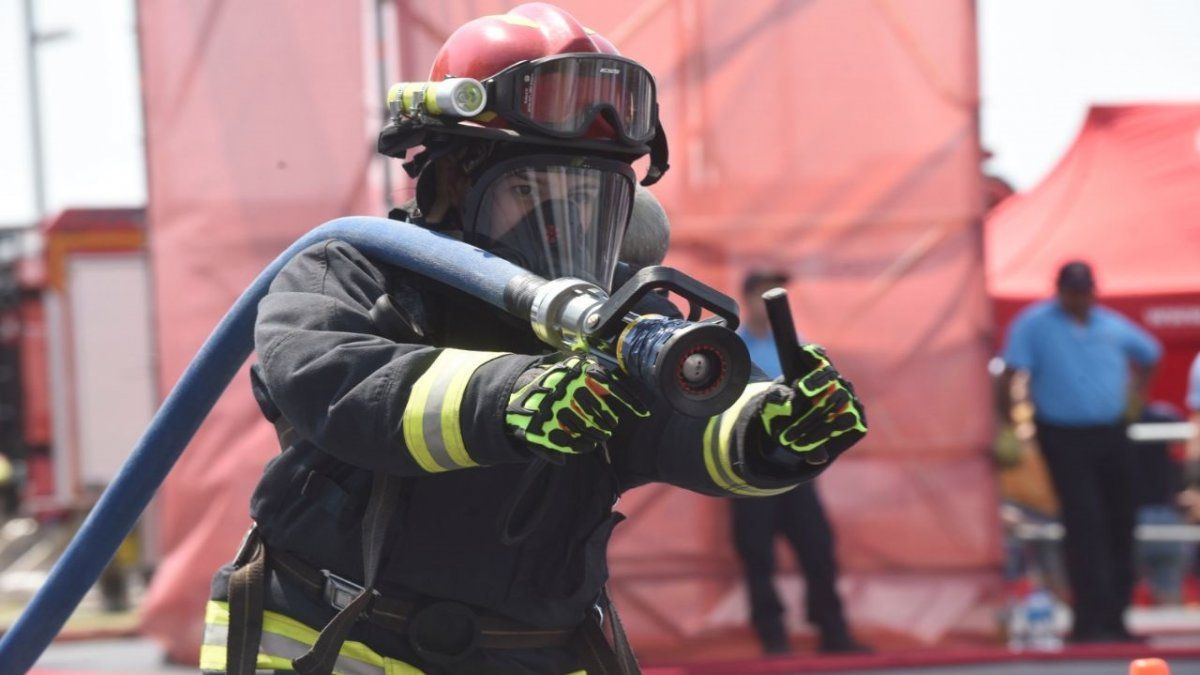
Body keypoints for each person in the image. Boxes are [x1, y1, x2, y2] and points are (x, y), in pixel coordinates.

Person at [200, 5, 868, 674]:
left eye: (593, 197)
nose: (566, 220)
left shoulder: (618, 313)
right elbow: (337, 383)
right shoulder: (352, 268)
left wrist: (765, 429)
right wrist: (514, 396)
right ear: (456, 179)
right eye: (534, 187)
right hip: (332, 635)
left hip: (532, 650)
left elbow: (671, 421)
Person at [999, 260, 1162, 643]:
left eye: (1084, 290)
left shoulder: (1110, 323)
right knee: (1084, 525)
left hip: (1111, 432)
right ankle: (1088, 620)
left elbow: (1150, 353)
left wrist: (1136, 396)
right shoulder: (1034, 323)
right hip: (1064, 436)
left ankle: (1116, 618)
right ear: (1059, 290)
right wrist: (1007, 423)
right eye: (1072, 291)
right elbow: (1009, 373)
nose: (1079, 298)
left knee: (1121, 522)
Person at [728, 270, 866, 656]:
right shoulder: (730, 348)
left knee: (817, 549)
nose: (768, 304)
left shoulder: (799, 347)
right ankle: (773, 640)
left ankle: (834, 634)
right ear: (747, 299)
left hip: (796, 468)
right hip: (748, 470)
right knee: (757, 554)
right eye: (761, 296)